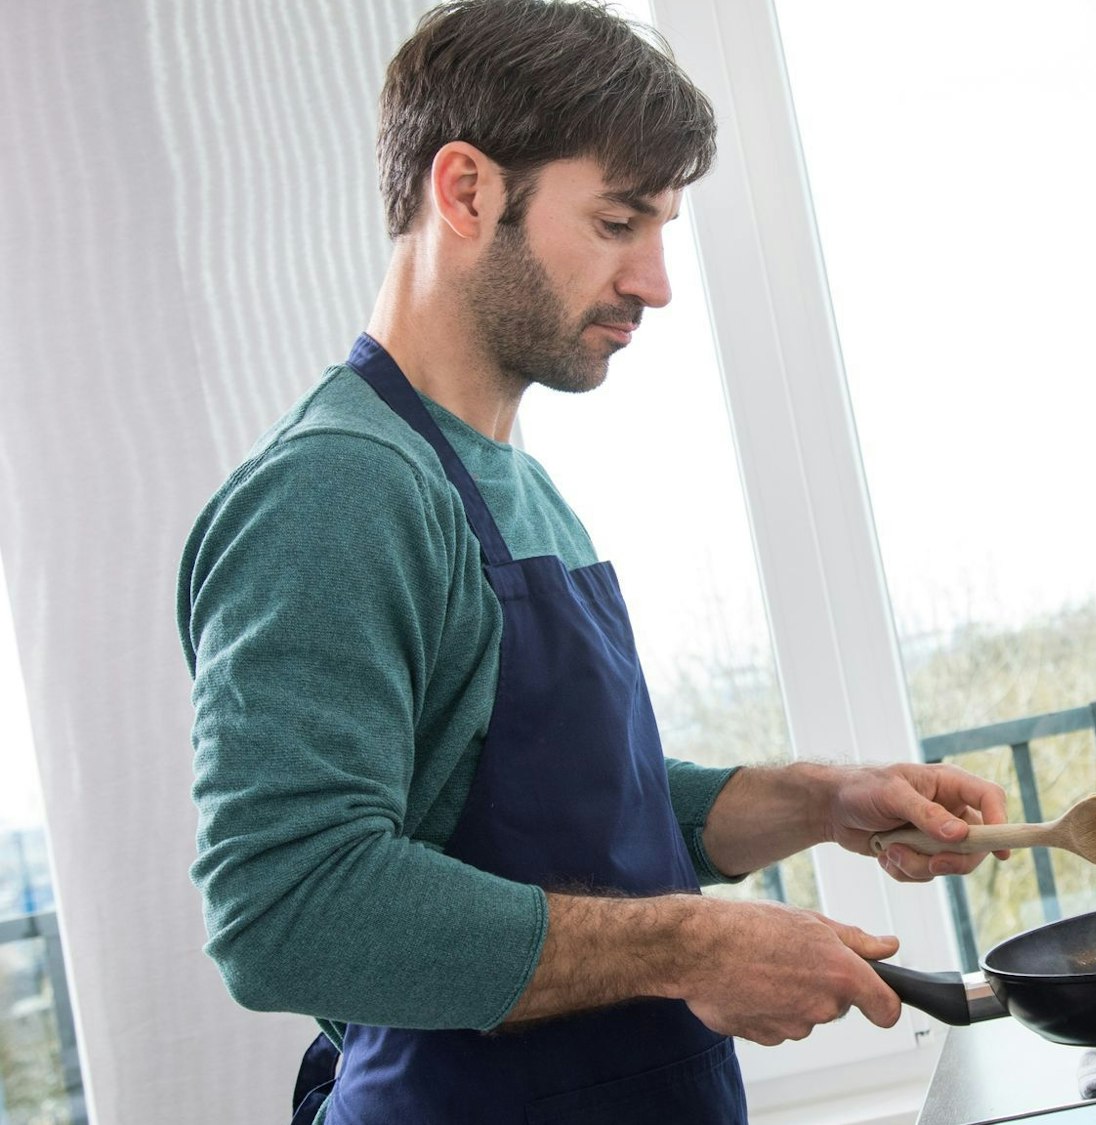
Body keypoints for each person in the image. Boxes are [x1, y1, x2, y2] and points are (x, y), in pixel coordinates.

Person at [174, 2, 1008, 1121]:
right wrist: (695, 942)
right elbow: (287, 906)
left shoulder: (505, 475)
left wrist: (815, 800)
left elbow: (568, 821)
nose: (656, 281)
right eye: (620, 222)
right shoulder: (338, 491)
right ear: (465, 191)